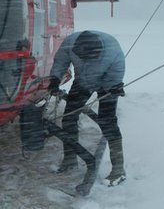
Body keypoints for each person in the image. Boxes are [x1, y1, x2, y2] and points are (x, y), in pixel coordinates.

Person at [48, 30, 126, 186]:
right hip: (82, 81)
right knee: (69, 117)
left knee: (108, 122)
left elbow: (116, 73)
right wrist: (55, 79)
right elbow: (61, 61)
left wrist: (114, 87)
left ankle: (118, 170)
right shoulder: (71, 43)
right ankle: (70, 160)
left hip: (107, 82)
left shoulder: (112, 53)